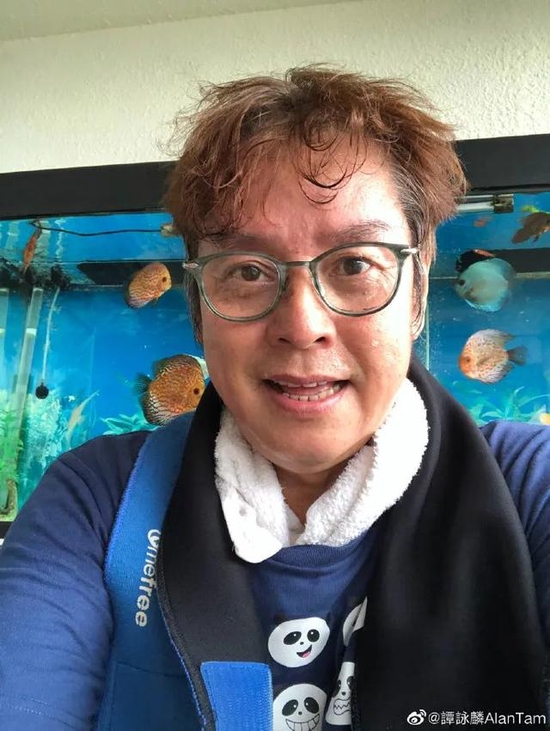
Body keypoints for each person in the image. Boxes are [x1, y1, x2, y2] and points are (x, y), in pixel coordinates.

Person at [0, 65, 549, 731]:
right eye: (247, 271)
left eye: (356, 263)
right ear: (198, 307)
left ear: (418, 291)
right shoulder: (95, 504)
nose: (302, 323)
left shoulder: (529, 486)